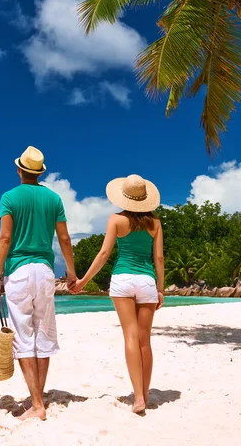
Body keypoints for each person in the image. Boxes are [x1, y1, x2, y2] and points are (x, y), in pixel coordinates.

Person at [0, 146, 77, 421]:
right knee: (44, 335)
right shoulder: (53, 198)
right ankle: (37, 397)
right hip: (45, 271)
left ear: (19, 170)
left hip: (19, 271)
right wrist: (72, 273)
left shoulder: (9, 197)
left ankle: (37, 405)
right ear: (40, 173)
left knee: (24, 337)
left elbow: (5, 239)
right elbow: (64, 239)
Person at [73, 174, 165, 415]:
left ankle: (138, 399)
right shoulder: (155, 223)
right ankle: (144, 394)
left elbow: (104, 254)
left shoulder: (115, 219)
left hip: (123, 280)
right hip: (146, 281)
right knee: (145, 341)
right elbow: (158, 258)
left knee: (130, 338)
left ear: (124, 197)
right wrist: (161, 289)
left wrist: (83, 281)